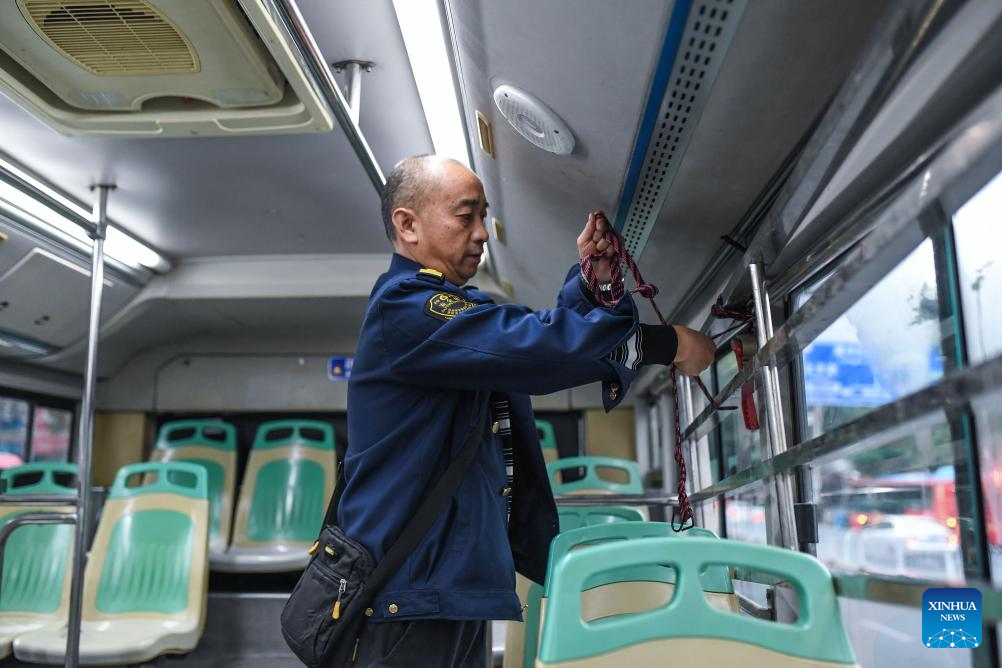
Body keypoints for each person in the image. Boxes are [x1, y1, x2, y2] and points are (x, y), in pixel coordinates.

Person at [338, 155, 714, 667]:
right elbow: (532, 350)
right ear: (408, 224)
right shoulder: (407, 308)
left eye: (483, 217)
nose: (481, 234)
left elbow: (528, 344)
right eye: (465, 216)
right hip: (411, 592)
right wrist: (665, 344)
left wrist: (590, 288)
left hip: (449, 585)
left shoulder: (447, 311)